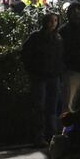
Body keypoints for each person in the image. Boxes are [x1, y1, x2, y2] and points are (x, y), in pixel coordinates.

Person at [22, 11, 66, 147]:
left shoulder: (58, 38)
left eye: (55, 21)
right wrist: (33, 70)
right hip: (40, 77)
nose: (53, 24)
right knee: (40, 106)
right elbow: (26, 55)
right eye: (50, 21)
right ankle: (39, 136)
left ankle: (51, 134)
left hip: (53, 76)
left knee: (52, 107)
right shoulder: (36, 37)